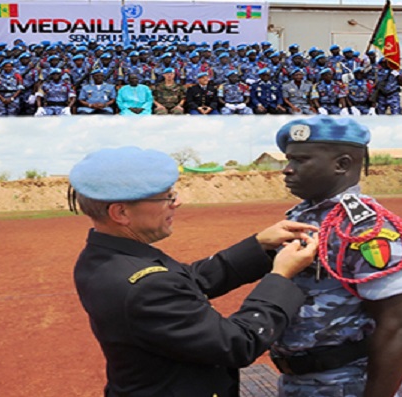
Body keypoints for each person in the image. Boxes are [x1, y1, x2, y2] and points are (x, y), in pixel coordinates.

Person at [70, 146, 319, 397]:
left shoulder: (105, 256)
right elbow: (237, 344)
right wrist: (280, 277)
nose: (177, 202)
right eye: (166, 197)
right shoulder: (143, 283)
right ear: (121, 213)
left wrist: (259, 245)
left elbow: (189, 280)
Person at [272, 116, 402, 397]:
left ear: (342, 165)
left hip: (346, 384)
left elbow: (399, 324)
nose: (287, 170)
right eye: (288, 160)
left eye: (301, 160)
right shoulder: (305, 216)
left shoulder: (367, 228)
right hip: (301, 382)